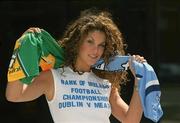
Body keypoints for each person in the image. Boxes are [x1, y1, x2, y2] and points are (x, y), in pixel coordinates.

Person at [6, 9, 146, 123]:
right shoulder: (53, 77)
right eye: (90, 42)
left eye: (101, 45)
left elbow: (131, 120)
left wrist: (139, 81)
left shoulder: (105, 83)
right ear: (77, 42)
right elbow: (14, 95)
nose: (95, 51)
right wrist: (23, 48)